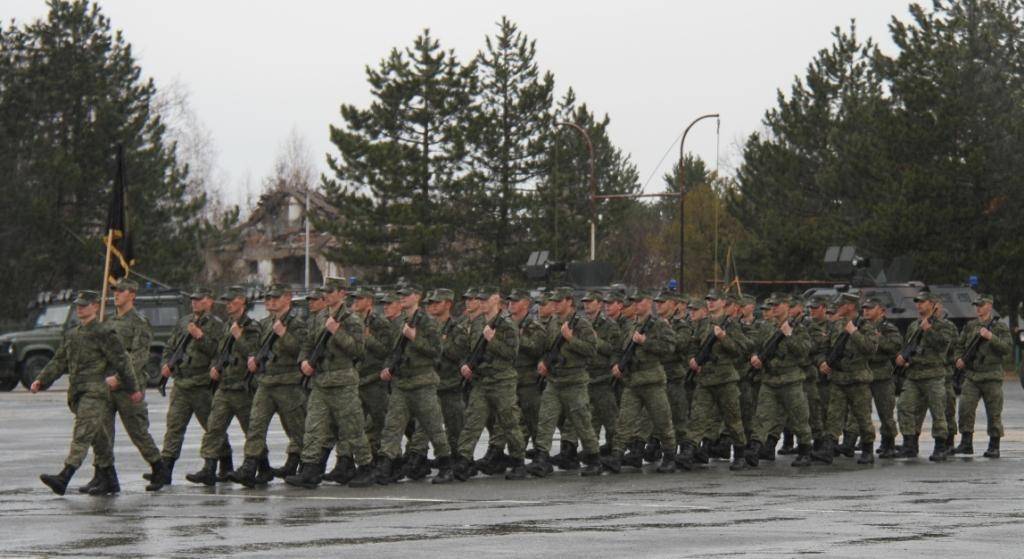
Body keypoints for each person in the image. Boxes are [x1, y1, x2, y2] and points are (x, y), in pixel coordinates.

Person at [32, 290, 142, 495]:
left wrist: (133, 388)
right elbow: (59, 361)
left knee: (82, 434)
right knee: (99, 437)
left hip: (95, 392)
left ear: (96, 306)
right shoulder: (73, 334)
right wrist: (41, 380)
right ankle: (110, 479)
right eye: (78, 305)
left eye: (84, 304)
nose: (80, 308)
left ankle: (64, 476)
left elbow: (122, 362)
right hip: (77, 393)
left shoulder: (104, 333)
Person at [286, 280, 376, 489]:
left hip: (343, 381)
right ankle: (309, 469)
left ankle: (366, 466)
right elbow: (307, 344)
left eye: (330, 292)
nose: (325, 295)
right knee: (313, 427)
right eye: (324, 291)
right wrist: (304, 362)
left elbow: (358, 351)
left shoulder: (351, 320)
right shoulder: (319, 317)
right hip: (321, 382)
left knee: (353, 428)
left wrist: (337, 332)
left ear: (342, 293)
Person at [80, 278, 166, 493]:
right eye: (115, 291)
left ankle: (159, 469)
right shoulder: (108, 321)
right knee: (102, 432)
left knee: (137, 431)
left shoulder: (139, 322)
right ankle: (103, 475)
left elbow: (138, 357)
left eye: (120, 291)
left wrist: (120, 378)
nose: (116, 295)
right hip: (105, 385)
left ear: (132, 294)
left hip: (128, 386)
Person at [230, 283, 309, 487]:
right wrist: (253, 358)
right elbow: (255, 349)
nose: (270, 301)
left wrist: (284, 334)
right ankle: (249, 466)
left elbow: (301, 351)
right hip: (266, 383)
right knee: (255, 425)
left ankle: (308, 465)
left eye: (275, 297)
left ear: (287, 298)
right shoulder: (264, 324)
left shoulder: (297, 324)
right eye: (268, 298)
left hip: (288, 384)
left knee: (296, 429)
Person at [376, 285, 453, 484]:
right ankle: (385, 466)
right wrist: (388, 368)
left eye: (406, 295)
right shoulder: (399, 321)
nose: (402, 298)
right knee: (392, 426)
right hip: (402, 383)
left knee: (433, 426)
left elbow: (436, 351)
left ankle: (446, 465)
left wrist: (414, 337)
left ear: (417, 297)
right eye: (400, 295)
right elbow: (392, 351)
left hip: (423, 382)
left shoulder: (428, 321)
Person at [185, 286, 261, 486]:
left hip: (242, 388)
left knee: (251, 431)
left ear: (242, 301)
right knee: (214, 429)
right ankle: (209, 468)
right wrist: (214, 367)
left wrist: (239, 336)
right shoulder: (227, 326)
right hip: (225, 387)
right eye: (226, 301)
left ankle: (262, 467)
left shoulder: (251, 327)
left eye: (231, 301)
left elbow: (254, 355)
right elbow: (219, 352)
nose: (227, 305)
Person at [152, 287, 224, 489]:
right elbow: (170, 346)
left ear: (209, 301)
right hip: (182, 384)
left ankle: (219, 465)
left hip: (202, 385)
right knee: (174, 427)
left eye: (199, 299)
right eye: (193, 299)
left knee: (212, 427)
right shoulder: (184, 322)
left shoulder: (216, 325)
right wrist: (165, 365)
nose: (195, 302)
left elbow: (218, 352)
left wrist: (200, 337)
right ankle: (165, 471)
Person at [527, 287, 603, 477]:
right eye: (553, 301)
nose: (555, 304)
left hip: (575, 381)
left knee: (582, 422)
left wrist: (571, 339)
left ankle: (594, 458)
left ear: (569, 302)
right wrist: (543, 362)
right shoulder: (553, 322)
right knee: (545, 419)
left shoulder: (581, 324)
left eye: (559, 301)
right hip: (555, 380)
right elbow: (547, 347)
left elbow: (592, 350)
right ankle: (541, 458)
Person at [454, 288, 528, 481]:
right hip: (481, 381)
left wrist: (492, 340)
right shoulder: (478, 324)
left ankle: (518, 460)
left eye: (485, 299)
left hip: (502, 381)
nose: (482, 302)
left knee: (509, 422)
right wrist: (464, 365)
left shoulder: (507, 324)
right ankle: (463, 459)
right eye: (480, 299)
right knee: (472, 420)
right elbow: (467, 350)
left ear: (496, 299)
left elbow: (512, 354)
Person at [677, 289, 752, 472]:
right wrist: (693, 360)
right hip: (705, 379)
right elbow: (693, 345)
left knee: (732, 419)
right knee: (697, 417)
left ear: (723, 302)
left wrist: (723, 338)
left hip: (725, 379)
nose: (710, 303)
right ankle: (689, 451)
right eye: (708, 300)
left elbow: (741, 350)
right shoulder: (702, 324)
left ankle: (740, 454)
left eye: (714, 300)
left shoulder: (731, 325)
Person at [603, 290, 678, 474]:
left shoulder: (659, 325)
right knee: (624, 421)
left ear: (649, 302)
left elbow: (669, 348)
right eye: (634, 301)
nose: (636, 304)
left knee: (662, 421)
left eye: (640, 301)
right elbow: (621, 348)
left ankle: (669, 456)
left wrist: (647, 342)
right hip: (633, 381)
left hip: (652, 380)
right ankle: (617, 455)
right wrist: (617, 365)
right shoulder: (631, 325)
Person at [745, 294, 813, 467]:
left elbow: (804, 351)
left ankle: (805, 450)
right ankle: (754, 449)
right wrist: (754, 357)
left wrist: (789, 336)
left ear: (787, 306)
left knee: (799, 418)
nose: (773, 308)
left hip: (791, 380)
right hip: (769, 379)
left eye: (777, 305)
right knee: (762, 416)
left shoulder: (798, 328)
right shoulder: (766, 327)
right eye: (772, 305)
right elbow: (755, 346)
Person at [894, 291, 957, 461]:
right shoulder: (914, 326)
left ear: (932, 304)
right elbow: (907, 346)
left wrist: (929, 331)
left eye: (922, 302)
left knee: (938, 411)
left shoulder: (943, 325)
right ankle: (909, 444)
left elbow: (943, 346)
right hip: (913, 375)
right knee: (904, 407)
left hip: (933, 375)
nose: (919, 305)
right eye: (917, 302)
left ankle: (941, 446)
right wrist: (903, 358)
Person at [952, 294, 1012, 458]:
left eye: (981, 304)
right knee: (965, 408)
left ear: (989, 306)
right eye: (976, 305)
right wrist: (958, 359)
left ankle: (994, 445)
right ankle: (966, 443)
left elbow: (1007, 348)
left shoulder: (999, 327)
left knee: (994, 412)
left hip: (992, 376)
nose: (978, 307)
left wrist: (991, 337)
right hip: (972, 376)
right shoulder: (970, 326)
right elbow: (959, 345)